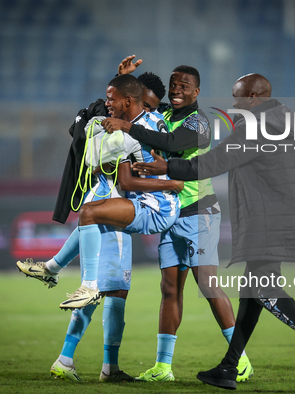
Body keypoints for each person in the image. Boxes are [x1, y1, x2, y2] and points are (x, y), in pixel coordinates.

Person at [133, 73, 295, 389]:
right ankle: (229, 367)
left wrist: (167, 167)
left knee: (262, 287)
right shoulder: (279, 118)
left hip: (272, 217)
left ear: (253, 98)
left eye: (238, 98)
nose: (233, 103)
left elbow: (214, 162)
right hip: (280, 212)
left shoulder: (260, 126)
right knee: (251, 291)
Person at [17, 73, 182, 383]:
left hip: (127, 202)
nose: (109, 106)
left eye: (148, 104)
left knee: (109, 286)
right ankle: (98, 364)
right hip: (119, 201)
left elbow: (103, 154)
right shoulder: (128, 125)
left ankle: (75, 351)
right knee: (113, 290)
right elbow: (117, 169)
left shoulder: (132, 128)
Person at [102, 62, 253, 382]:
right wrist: (123, 80)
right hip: (170, 214)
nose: (177, 90)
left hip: (199, 212)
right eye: (174, 85)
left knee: (208, 284)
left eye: (184, 86)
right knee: (169, 289)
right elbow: (135, 102)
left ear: (197, 92)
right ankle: (163, 366)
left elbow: (173, 145)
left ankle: (239, 359)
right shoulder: (164, 115)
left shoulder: (200, 123)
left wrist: (127, 128)